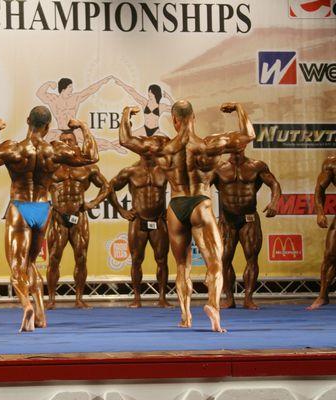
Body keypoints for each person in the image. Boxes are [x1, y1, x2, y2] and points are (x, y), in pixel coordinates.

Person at [119, 100, 255, 332]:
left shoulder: (162, 146)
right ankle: (213, 307)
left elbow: (126, 140)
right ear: (194, 118)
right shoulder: (209, 144)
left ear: (174, 120)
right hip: (200, 202)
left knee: (182, 265)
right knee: (215, 262)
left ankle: (185, 315)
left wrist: (126, 114)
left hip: (176, 206)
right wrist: (238, 109)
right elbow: (248, 135)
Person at [0, 106, 99, 332]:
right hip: (42, 209)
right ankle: (40, 313)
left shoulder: (14, 148)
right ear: (48, 126)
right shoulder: (55, 149)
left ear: (28, 120)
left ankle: (26, 305)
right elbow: (92, 156)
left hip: (20, 207)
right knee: (30, 263)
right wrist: (83, 128)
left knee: (16, 266)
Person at [108, 109, 171, 307]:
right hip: (138, 221)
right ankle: (137, 298)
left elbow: (182, 187)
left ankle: (162, 297)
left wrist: (172, 210)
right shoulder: (131, 171)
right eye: (146, 146)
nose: (150, 149)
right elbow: (109, 188)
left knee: (162, 260)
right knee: (136, 259)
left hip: (159, 220)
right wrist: (121, 210)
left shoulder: (166, 170)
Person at [46, 130, 109, 309]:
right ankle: (51, 299)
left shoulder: (87, 167)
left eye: (70, 140)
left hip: (79, 216)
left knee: (81, 258)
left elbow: (106, 186)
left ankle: (79, 298)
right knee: (54, 258)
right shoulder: (49, 166)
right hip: (58, 217)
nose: (67, 143)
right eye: (63, 140)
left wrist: (94, 202)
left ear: (76, 143)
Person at [212, 149, 281, 309]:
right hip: (227, 219)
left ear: (243, 146)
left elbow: (274, 184)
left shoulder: (257, 166)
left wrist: (274, 202)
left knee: (252, 258)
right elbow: (201, 188)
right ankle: (229, 298)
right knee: (224, 259)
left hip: (249, 219)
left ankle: (248, 298)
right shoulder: (218, 167)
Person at [308, 156, 336, 310]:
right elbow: (320, 189)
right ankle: (323, 296)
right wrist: (320, 212)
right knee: (330, 255)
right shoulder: (332, 163)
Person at [36, 77, 112, 131]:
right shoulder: (54, 99)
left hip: (74, 130)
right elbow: (39, 94)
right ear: (63, 88)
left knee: (98, 142)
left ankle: (114, 145)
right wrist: (48, 83)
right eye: (70, 87)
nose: (72, 89)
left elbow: (90, 90)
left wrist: (102, 82)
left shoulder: (75, 98)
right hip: (61, 130)